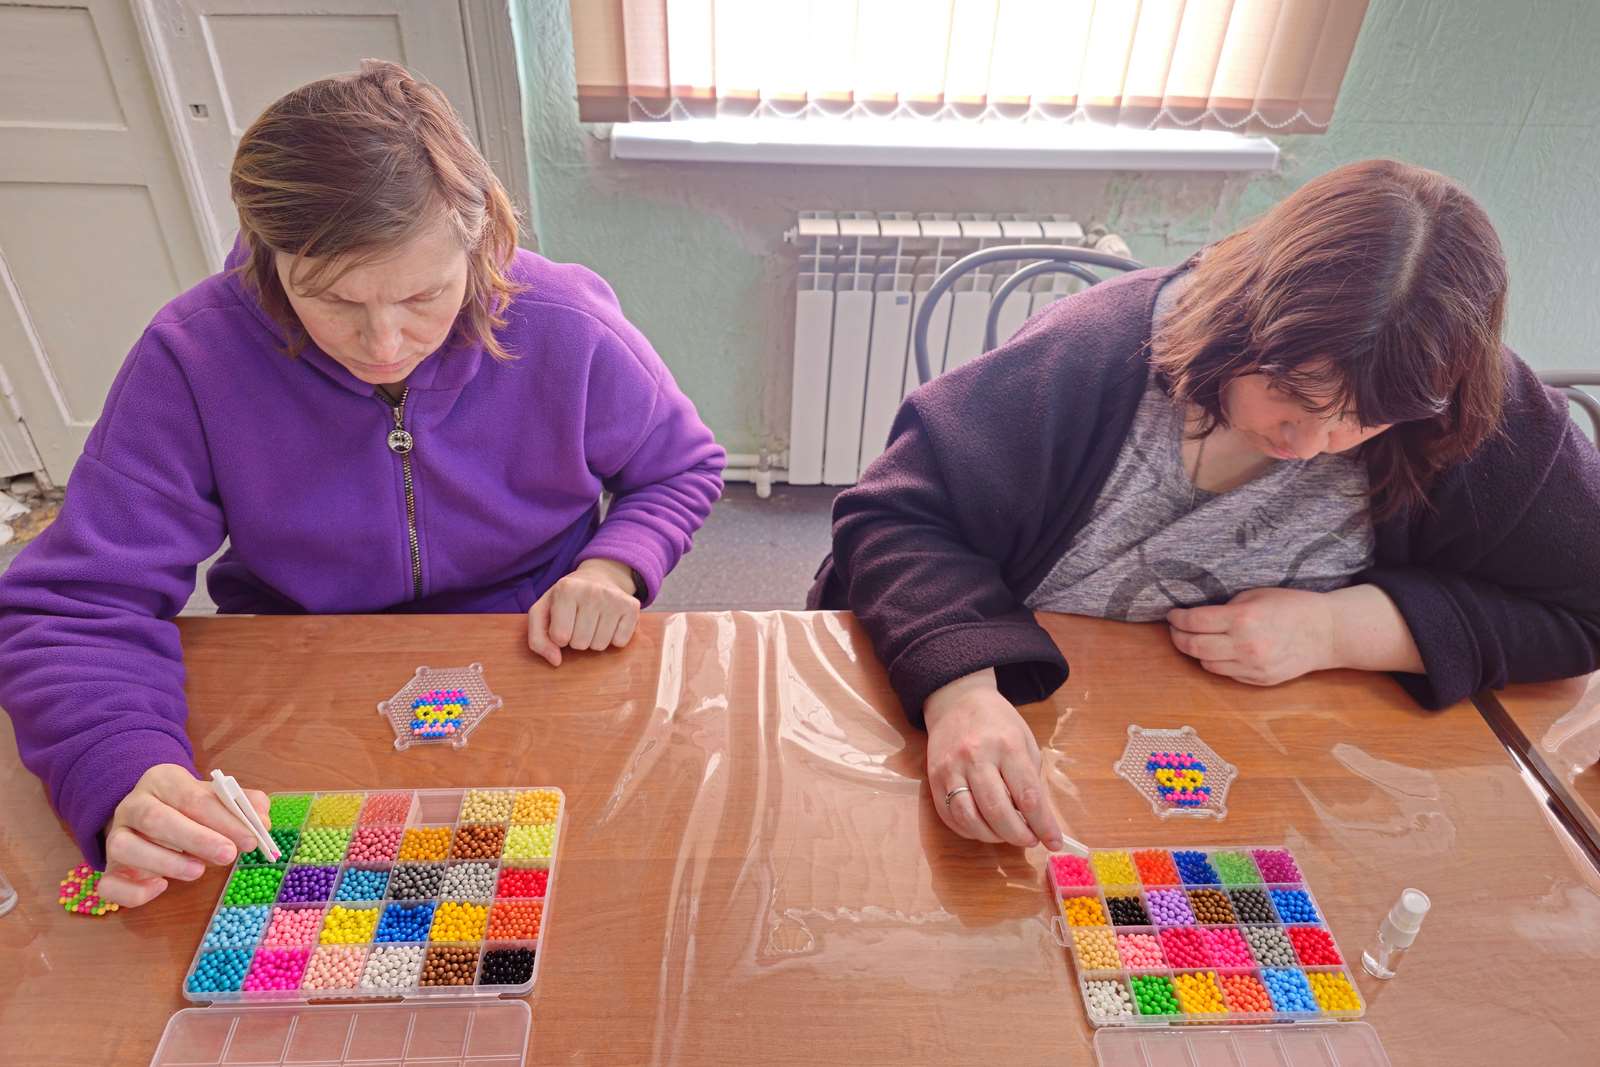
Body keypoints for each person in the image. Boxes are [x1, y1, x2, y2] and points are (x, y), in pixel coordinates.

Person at [0, 61, 724, 905]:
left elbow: (680, 464)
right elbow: (76, 601)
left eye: (423, 295)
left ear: (480, 239)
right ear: (271, 261)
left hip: (534, 649)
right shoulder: (191, 357)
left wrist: (614, 564)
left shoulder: (567, 322)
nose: (384, 344)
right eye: (334, 301)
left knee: (594, 893)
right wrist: (123, 765)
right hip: (300, 662)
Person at [809, 159, 1600, 852]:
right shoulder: (1092, 351)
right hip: (1028, 722)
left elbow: (1586, 607)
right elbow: (894, 516)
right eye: (1289, 394)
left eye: (1361, 421)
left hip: (1269, 771)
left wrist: (1346, 629)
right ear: (1243, 319)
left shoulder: (1455, 405)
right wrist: (963, 691)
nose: (1312, 443)